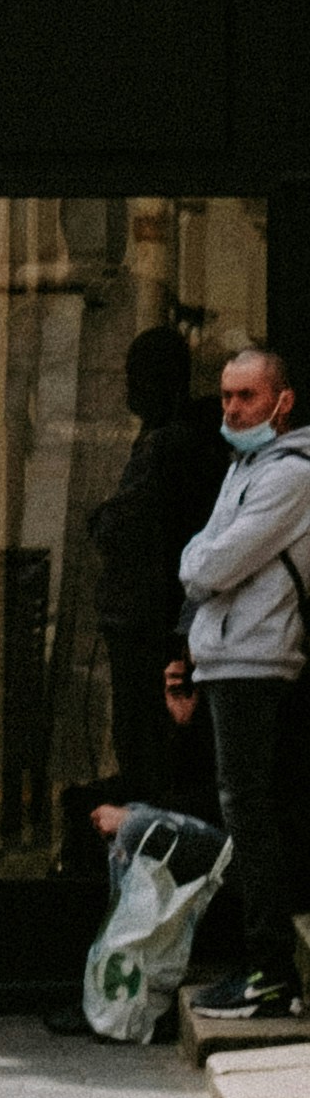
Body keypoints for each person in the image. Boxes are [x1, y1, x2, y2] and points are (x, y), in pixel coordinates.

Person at [168, 342, 310, 1019]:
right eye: (225, 396)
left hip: (256, 660)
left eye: (245, 396)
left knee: (250, 814)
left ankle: (272, 972)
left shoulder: (290, 474)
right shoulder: (246, 466)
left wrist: (200, 560)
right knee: (246, 811)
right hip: (230, 657)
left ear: (281, 402)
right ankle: (266, 965)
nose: (230, 408)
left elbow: (206, 565)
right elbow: (204, 556)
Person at [93, 322, 227, 826]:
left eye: (135, 375)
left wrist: (102, 519)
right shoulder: (174, 440)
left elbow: (121, 525)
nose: (127, 387)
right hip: (159, 615)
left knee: (146, 742)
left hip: (147, 619)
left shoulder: (167, 446)